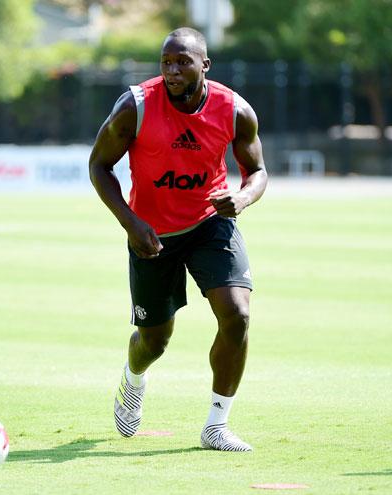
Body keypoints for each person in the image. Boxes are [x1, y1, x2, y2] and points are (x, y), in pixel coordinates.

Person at [89, 27, 268, 452]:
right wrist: (131, 223)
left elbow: (258, 171)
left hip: (211, 223)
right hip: (151, 234)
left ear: (204, 65)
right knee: (155, 340)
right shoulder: (135, 106)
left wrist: (240, 198)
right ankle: (133, 379)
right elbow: (99, 165)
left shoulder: (235, 110)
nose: (172, 70)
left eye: (182, 62)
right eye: (166, 62)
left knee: (238, 315)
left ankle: (216, 426)